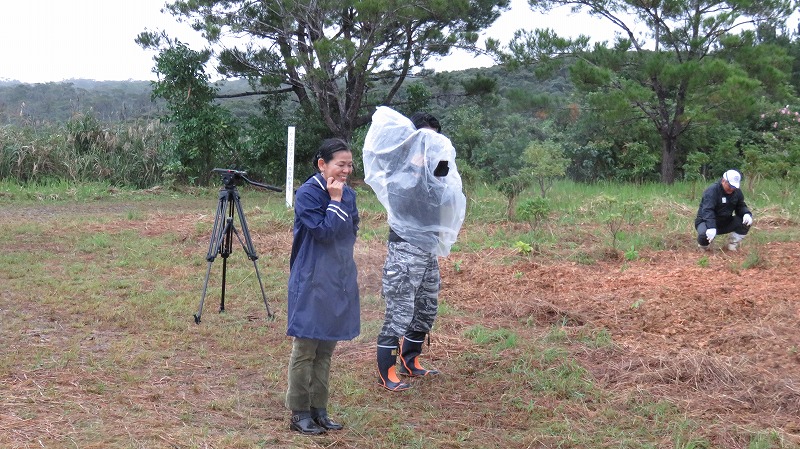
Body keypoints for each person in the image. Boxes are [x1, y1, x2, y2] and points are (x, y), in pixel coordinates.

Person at [362, 107, 467, 392]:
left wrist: (438, 174)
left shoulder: (438, 175)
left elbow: (447, 205)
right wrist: (418, 169)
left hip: (428, 249)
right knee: (400, 311)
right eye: (426, 142)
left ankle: (411, 361)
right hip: (405, 250)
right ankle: (388, 373)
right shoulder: (400, 173)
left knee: (426, 308)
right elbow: (404, 203)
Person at [285, 138, 360, 434]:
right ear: (322, 164)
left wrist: (340, 203)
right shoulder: (307, 194)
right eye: (340, 164)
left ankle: (320, 410)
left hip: (338, 277)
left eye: (349, 165)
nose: (346, 170)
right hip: (311, 278)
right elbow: (326, 234)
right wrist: (336, 202)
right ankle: (299, 411)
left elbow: (351, 232)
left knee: (326, 348)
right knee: (305, 348)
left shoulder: (349, 194)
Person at [695, 169, 753, 251]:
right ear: (723, 181)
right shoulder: (712, 191)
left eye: (734, 187)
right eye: (730, 186)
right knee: (705, 234)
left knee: (745, 222)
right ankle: (703, 246)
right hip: (705, 221)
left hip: (725, 221)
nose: (732, 189)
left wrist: (746, 213)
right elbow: (707, 210)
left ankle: (732, 245)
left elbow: (740, 206)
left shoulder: (737, 192)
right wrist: (711, 227)